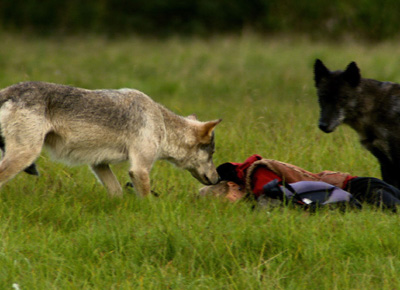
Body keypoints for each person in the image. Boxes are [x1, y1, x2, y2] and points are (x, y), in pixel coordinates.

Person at [199, 154, 400, 211]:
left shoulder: (258, 176)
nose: (236, 202)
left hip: (354, 186)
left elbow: (286, 196)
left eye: (230, 198)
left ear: (233, 185)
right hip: (343, 195)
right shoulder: (255, 184)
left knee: (395, 211)